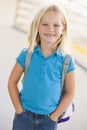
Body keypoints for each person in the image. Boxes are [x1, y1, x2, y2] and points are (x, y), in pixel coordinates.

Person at [8, 4, 76, 130]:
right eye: (45, 24)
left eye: (56, 25)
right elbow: (12, 82)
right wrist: (19, 110)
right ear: (37, 26)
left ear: (63, 29)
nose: (50, 29)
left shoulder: (67, 61)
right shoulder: (26, 54)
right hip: (23, 117)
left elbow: (70, 92)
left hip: (48, 120)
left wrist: (54, 117)